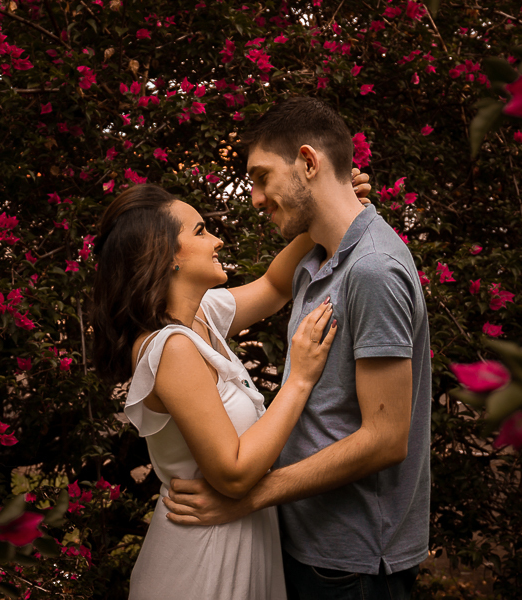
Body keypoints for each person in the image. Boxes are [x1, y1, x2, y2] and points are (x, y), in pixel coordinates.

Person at [165, 97, 433, 600]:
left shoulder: (372, 270)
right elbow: (272, 283)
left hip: (352, 563)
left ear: (308, 163)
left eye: (262, 176)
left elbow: (386, 437)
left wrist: (250, 499)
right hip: (308, 543)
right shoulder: (318, 260)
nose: (255, 197)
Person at [91, 175, 370, 600]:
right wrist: (300, 379)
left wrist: (323, 207)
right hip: (203, 567)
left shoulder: (201, 315)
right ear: (166, 256)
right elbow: (234, 474)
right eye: (201, 231)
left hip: (237, 542)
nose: (217, 240)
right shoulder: (172, 348)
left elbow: (276, 286)